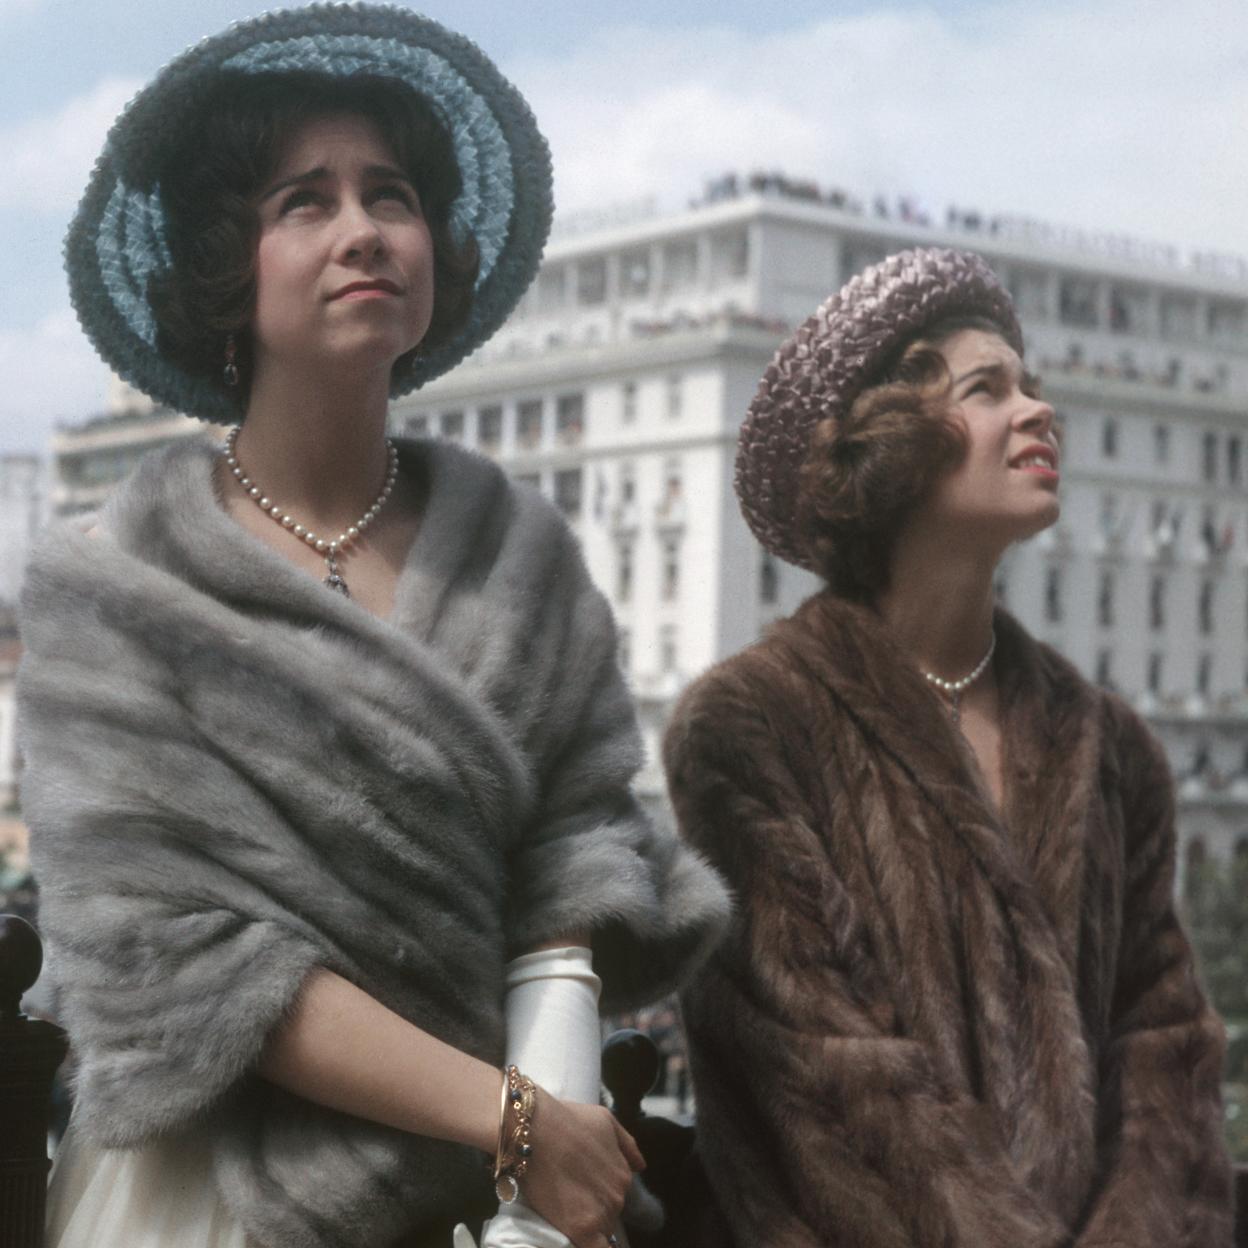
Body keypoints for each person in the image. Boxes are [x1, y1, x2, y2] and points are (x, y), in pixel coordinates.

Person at [17, 7, 729, 1248]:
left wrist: (541, 1193)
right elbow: (181, 961)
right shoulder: (109, 589)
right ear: (226, 264)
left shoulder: (525, 555)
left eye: (390, 193)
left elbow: (575, 872)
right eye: (305, 200)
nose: (363, 231)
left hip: (506, 1200)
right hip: (212, 1202)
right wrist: (513, 1119)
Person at [663, 247, 1234, 1247]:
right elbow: (828, 1088)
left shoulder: (1114, 749)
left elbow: (1167, 1059)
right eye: (989, 388)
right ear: (888, 444)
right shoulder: (750, 726)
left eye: (1035, 386)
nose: (1038, 411)